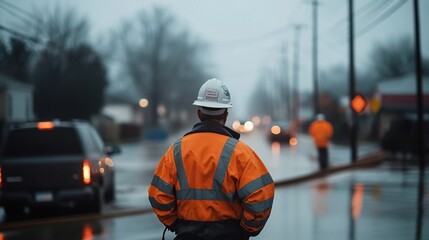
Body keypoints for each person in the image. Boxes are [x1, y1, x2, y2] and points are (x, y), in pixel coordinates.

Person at [148, 78, 275, 240]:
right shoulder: (241, 153)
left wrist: (176, 224)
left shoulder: (176, 151)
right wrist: (245, 229)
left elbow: (158, 196)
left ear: (199, 113)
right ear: (226, 114)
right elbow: (261, 198)